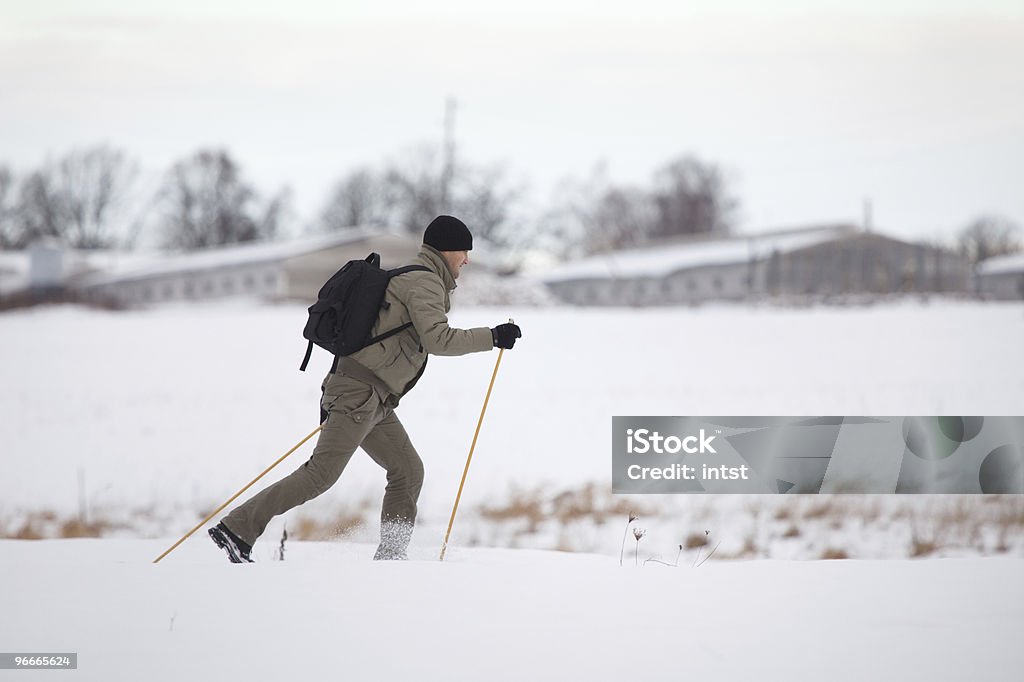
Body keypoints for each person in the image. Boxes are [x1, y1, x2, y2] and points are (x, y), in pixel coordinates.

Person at [209, 215, 522, 562]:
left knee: (407, 470)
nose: (467, 259)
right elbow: (438, 339)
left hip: (372, 398)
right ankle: (238, 527)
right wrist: (492, 337)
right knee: (320, 476)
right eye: (464, 251)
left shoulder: (420, 278)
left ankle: (391, 558)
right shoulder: (425, 282)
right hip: (358, 394)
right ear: (447, 250)